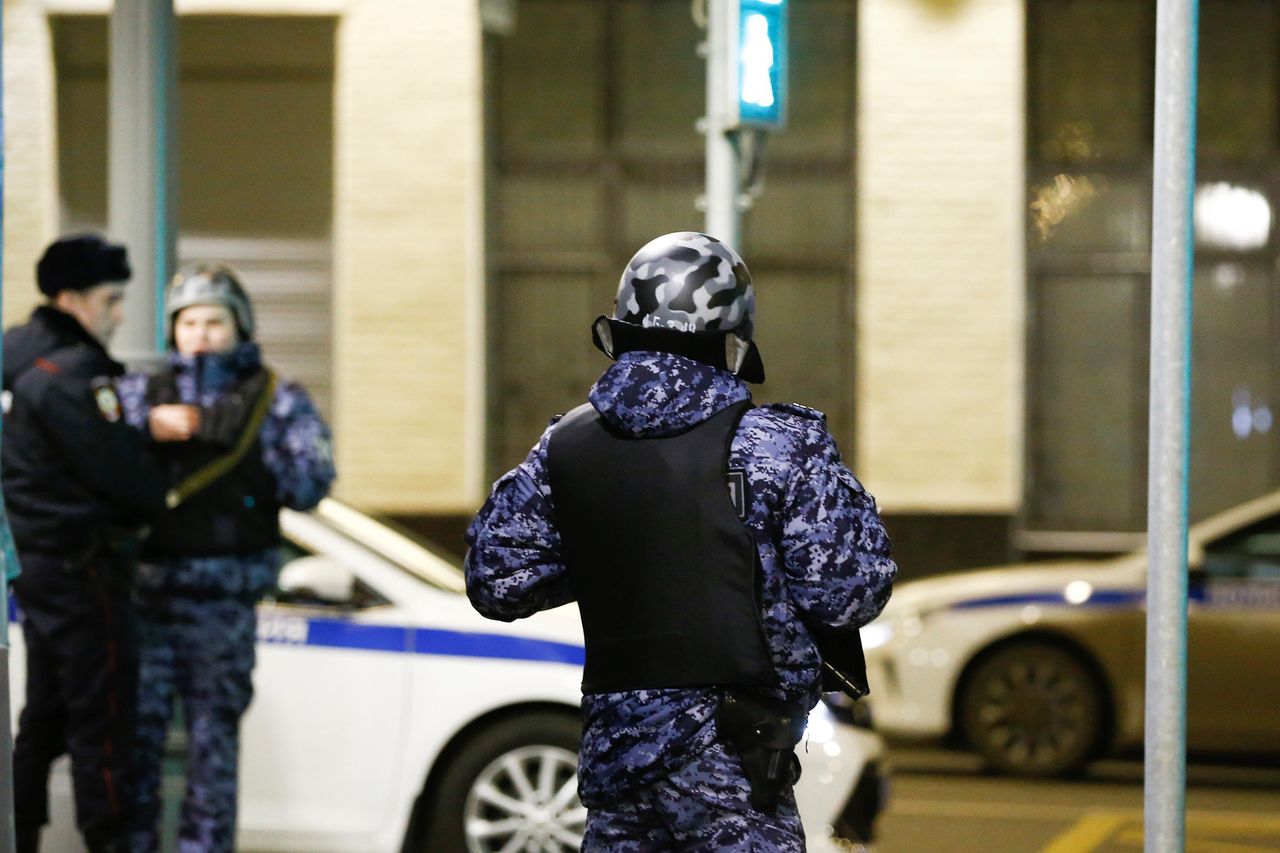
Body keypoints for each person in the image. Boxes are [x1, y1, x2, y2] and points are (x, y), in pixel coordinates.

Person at [465, 232, 896, 851]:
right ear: (732, 335)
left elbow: (496, 581)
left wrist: (602, 551)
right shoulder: (775, 447)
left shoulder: (566, 447)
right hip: (736, 770)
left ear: (622, 323)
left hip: (617, 767)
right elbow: (848, 596)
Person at [114, 262, 336, 853]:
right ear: (172, 329)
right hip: (146, 597)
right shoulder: (141, 392)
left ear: (240, 327)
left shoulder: (274, 397)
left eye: (215, 321)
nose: (202, 333)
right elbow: (85, 442)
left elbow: (311, 482)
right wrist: (143, 427)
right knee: (134, 747)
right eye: (188, 322)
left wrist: (261, 453)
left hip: (223, 604)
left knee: (213, 754)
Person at [3, 234, 172, 853]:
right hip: (84, 568)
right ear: (71, 299)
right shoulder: (72, 372)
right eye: (112, 298)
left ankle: (17, 838)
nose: (120, 313)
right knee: (102, 725)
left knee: (42, 721)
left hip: (35, 566)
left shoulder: (12, 356)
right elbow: (124, 474)